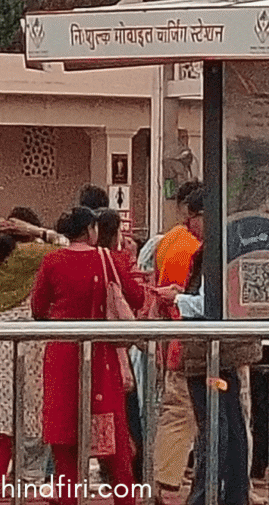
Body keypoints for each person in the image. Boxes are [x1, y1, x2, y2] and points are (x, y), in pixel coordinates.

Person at [31, 206, 145, 505]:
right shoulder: (106, 259)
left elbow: (38, 307)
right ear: (91, 230)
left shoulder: (52, 260)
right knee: (115, 447)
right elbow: (136, 296)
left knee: (65, 444)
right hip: (102, 357)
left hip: (61, 356)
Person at [156, 188, 261, 505]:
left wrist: (177, 299)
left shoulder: (210, 252)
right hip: (229, 349)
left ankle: (204, 493)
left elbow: (208, 304)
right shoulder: (235, 245)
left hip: (209, 351)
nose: (189, 227)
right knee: (232, 423)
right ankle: (235, 492)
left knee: (213, 425)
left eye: (192, 220)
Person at [0, 208, 58, 498]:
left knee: (5, 419)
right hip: (27, 340)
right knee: (28, 411)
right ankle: (18, 475)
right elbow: (66, 245)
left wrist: (0, 230)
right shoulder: (33, 254)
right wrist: (36, 232)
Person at [151, 180, 203, 499]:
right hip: (192, 338)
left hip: (173, 339)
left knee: (175, 412)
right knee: (187, 412)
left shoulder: (169, 239)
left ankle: (166, 479)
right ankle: (171, 484)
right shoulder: (198, 247)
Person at [95, 210, 144, 485]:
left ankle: (60, 479)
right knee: (124, 411)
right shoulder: (114, 262)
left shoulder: (66, 258)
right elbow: (135, 297)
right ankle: (127, 475)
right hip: (114, 350)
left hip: (79, 349)